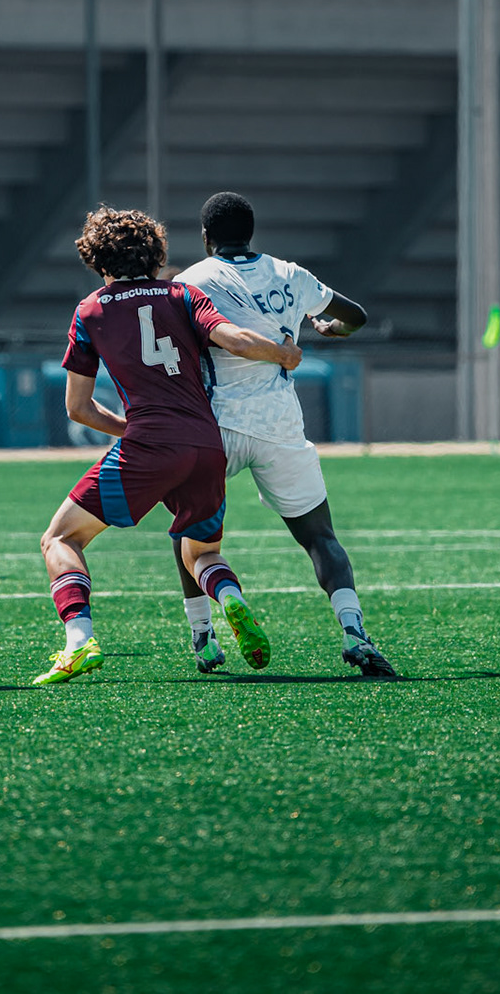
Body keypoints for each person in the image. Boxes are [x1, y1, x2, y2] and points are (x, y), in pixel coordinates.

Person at [33, 206, 303, 686]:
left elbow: (78, 409)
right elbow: (236, 341)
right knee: (201, 554)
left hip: (150, 444)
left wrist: (134, 433)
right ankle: (230, 599)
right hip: (205, 444)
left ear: (97, 259)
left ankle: (78, 642)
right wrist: (282, 353)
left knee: (60, 538)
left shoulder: (91, 310)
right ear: (156, 254)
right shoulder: (182, 294)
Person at [175, 192, 395, 677]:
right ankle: (354, 632)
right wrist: (332, 328)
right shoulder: (290, 274)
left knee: (189, 532)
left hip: (217, 425)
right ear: (251, 231)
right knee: (320, 537)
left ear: (206, 237)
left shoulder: (191, 280)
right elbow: (355, 314)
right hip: (280, 424)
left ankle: (204, 637)